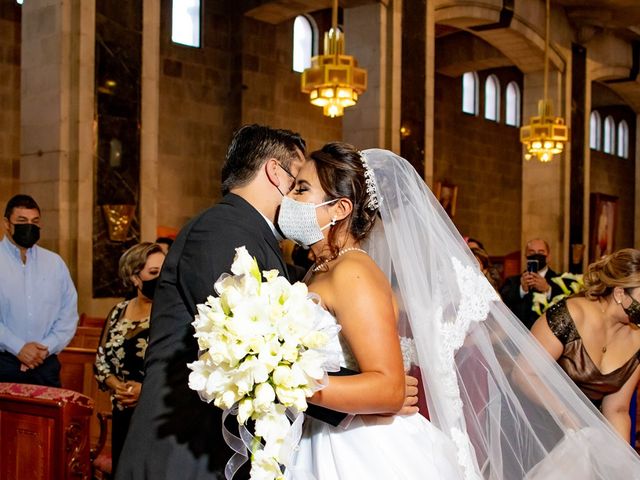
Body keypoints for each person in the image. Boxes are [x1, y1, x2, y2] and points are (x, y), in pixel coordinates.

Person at [279, 144, 640, 479]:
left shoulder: (352, 272)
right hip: (329, 428)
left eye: (301, 189)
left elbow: (388, 388)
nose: (288, 198)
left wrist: (282, 382)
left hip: (357, 444)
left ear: (339, 209)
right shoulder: (323, 267)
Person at [116, 125, 417, 480]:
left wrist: (375, 390)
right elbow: (246, 349)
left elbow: (275, 352)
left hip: (272, 447)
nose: (293, 198)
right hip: (188, 449)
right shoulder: (224, 229)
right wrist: (361, 395)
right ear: (276, 172)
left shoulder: (301, 256)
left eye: (303, 189)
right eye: (296, 184)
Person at [530, 248, 640, 441]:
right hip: (536, 422)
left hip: (583, 433)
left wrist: (622, 461)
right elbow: (525, 373)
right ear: (620, 293)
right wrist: (565, 414)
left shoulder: (637, 339)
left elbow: (617, 409)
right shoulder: (571, 315)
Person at [94, 242, 165, 473]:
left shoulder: (170, 313)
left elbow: (179, 366)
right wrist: (118, 387)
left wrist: (144, 390)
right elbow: (101, 361)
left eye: (164, 271)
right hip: (123, 412)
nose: (160, 278)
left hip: (156, 412)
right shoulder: (118, 312)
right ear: (135, 278)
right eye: (153, 273)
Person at [0, 194, 78, 387]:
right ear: (6, 224)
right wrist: (18, 348)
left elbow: (68, 313)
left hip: (45, 363)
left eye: (35, 221)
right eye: (22, 221)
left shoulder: (54, 263)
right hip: (3, 363)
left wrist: (44, 349)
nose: (29, 226)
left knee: (49, 417)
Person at [500, 238, 565, 329]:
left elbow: (567, 304)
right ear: (526, 256)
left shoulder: (561, 281)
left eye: (541, 252)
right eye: (532, 252)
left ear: (549, 256)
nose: (536, 255)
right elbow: (502, 304)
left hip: (549, 333)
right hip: (521, 334)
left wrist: (548, 289)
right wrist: (522, 290)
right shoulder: (512, 281)